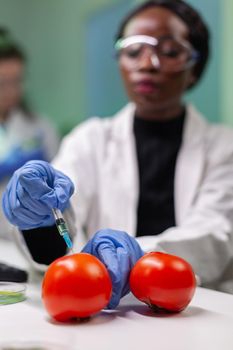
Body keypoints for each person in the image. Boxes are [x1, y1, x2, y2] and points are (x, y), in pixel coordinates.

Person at [2, 0, 233, 308]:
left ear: (194, 68)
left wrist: (137, 253)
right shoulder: (89, 139)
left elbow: (214, 236)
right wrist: (38, 220)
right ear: (120, 62)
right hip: (100, 311)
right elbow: (59, 237)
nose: (148, 63)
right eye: (133, 50)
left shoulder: (224, 147)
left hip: (195, 307)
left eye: (169, 51)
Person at [0, 28, 59, 239]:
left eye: (17, 81)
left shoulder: (40, 127)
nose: (11, 90)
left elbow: (60, 179)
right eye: (3, 82)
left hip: (30, 234)